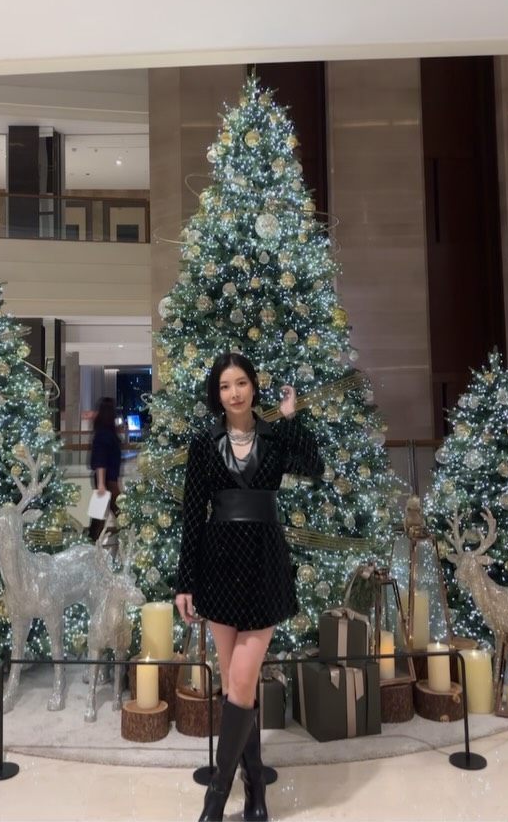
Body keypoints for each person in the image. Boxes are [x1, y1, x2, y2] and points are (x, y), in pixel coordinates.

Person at [175, 352, 324, 822]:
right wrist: (185, 582)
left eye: (241, 383)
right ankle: (255, 783)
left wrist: (291, 418)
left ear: (253, 387)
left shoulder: (275, 438)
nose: (234, 393)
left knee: (240, 681)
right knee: (236, 688)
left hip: (263, 564)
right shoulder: (204, 443)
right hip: (217, 566)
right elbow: (192, 514)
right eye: (225, 386)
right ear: (216, 394)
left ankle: (216, 796)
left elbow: (315, 466)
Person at [88, 397, 123, 541]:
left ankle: (91, 543)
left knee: (99, 516)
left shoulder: (103, 433)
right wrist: (101, 484)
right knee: (118, 513)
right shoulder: (105, 434)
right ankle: (92, 543)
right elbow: (100, 460)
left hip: (107, 479)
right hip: (107, 480)